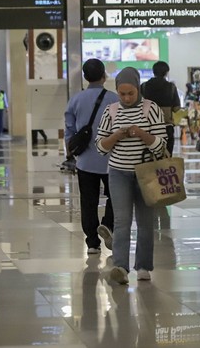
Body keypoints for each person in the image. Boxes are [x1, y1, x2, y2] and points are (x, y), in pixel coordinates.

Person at [95, 67, 167, 284]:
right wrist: (116, 136)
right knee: (121, 220)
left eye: (131, 93)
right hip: (118, 173)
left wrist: (142, 133)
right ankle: (120, 267)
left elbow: (161, 145)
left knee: (145, 222)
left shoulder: (151, 109)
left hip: (146, 174)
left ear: (138, 89)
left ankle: (144, 266)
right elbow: (100, 147)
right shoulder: (111, 111)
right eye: (122, 94)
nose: (126, 98)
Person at [64, 59, 119, 254]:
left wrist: (70, 154)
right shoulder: (114, 99)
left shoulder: (76, 100)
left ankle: (92, 242)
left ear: (85, 77)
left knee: (88, 200)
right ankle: (108, 225)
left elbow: (69, 131)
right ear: (104, 76)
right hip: (111, 159)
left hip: (85, 160)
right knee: (115, 196)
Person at [140, 61, 181, 155]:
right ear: (166, 72)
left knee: (149, 156)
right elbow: (176, 108)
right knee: (166, 155)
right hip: (166, 127)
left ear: (153, 72)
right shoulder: (171, 87)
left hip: (148, 127)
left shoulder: (144, 86)